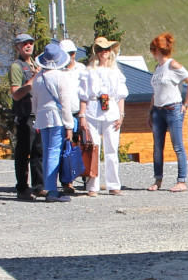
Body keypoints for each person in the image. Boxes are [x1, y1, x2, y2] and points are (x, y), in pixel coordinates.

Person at [30, 41, 80, 203]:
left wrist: (37, 119)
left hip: (42, 117)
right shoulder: (60, 76)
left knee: (47, 153)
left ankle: (48, 186)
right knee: (53, 153)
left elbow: (35, 102)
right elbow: (65, 103)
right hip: (57, 117)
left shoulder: (38, 77)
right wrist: (69, 125)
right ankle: (52, 190)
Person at [146, 32, 188, 192]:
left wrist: (185, 104)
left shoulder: (173, 65)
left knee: (178, 145)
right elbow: (155, 92)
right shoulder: (157, 68)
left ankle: (182, 181)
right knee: (157, 147)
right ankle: (158, 180)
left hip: (173, 108)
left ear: (156, 50)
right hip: (158, 111)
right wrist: (150, 111)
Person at [79, 37, 128, 196]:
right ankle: (92, 186)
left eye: (106, 50)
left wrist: (121, 115)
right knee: (93, 148)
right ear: (96, 52)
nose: (103, 53)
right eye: (100, 50)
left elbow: (121, 96)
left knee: (111, 148)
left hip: (111, 111)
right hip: (93, 110)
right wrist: (82, 115)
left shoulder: (116, 72)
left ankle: (113, 185)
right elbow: (83, 96)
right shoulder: (89, 71)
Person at [7, 33, 39, 200]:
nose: (28, 46)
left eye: (30, 43)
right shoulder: (17, 66)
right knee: (23, 153)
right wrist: (34, 78)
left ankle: (38, 186)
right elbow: (16, 94)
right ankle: (22, 187)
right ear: (17, 47)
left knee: (37, 152)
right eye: (24, 44)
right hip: (25, 114)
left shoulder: (34, 64)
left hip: (38, 113)